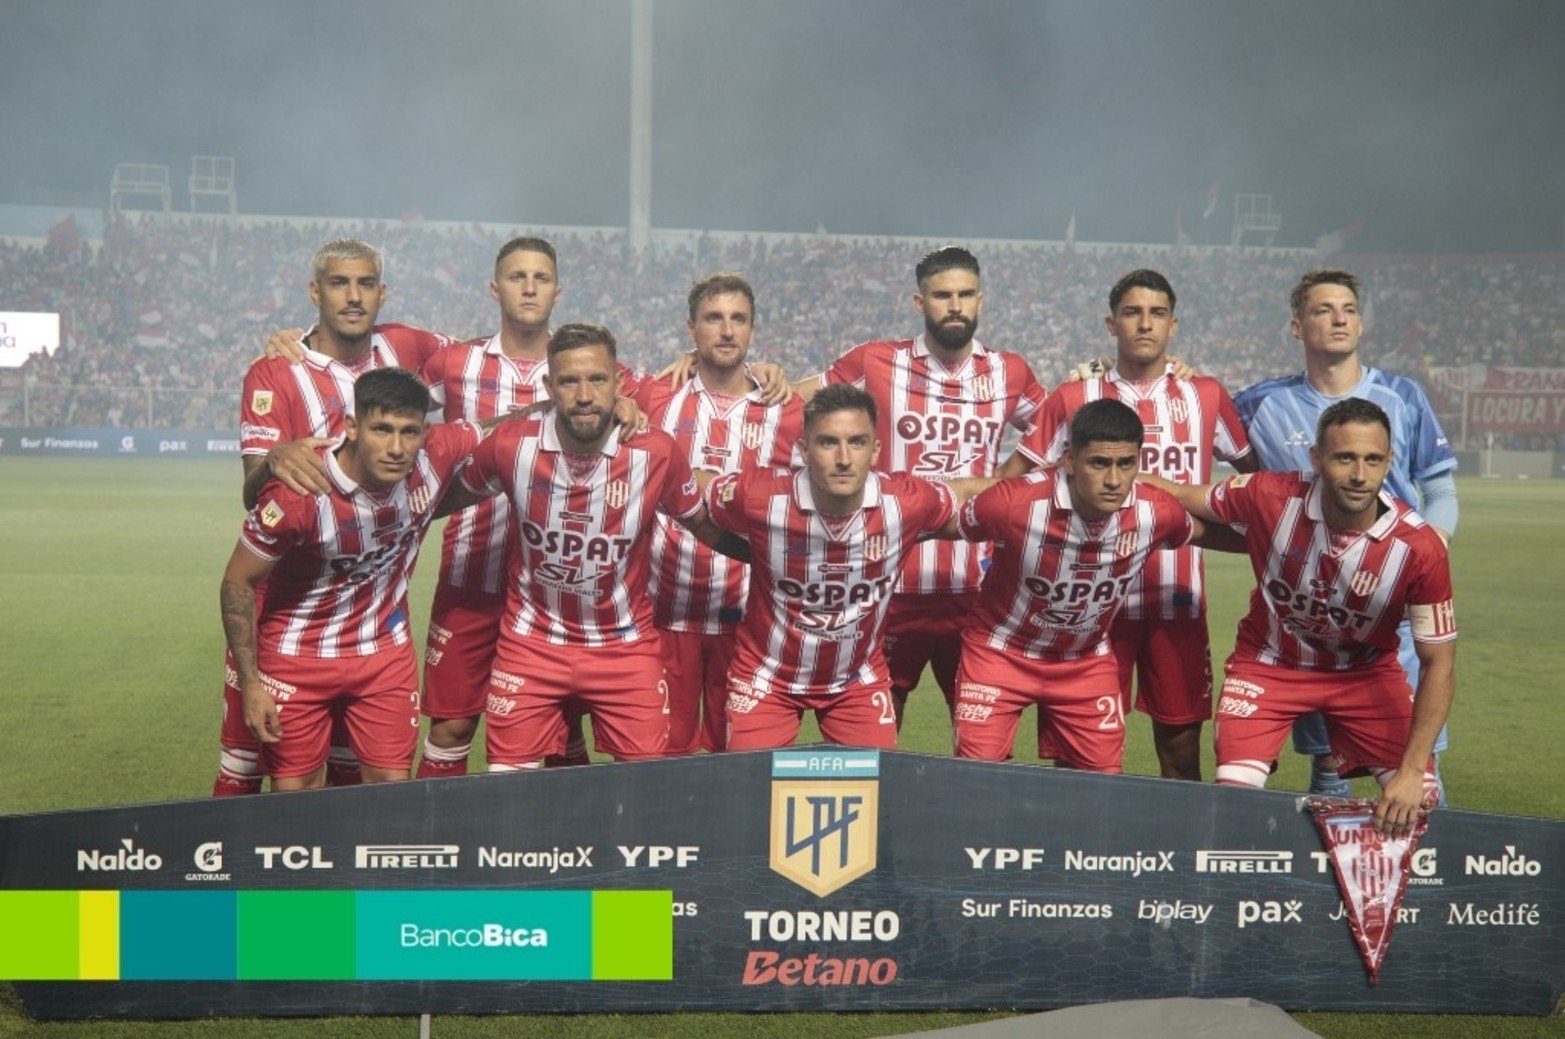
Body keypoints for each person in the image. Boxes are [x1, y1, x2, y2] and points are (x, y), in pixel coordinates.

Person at [1149, 398, 1456, 837]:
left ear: (1390, 460)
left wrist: (1409, 771)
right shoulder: (1268, 495)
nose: (1359, 475)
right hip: (1269, 664)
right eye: (1344, 457)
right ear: (1317, 458)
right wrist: (1111, 483)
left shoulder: (1420, 549)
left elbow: (1439, 662)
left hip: (1364, 675)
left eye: (1373, 460)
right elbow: (1181, 495)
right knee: (1234, 797)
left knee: (1419, 799)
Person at [214, 238, 450, 795]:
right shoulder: (277, 371)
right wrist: (275, 457)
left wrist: (635, 388)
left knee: (355, 769)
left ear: (381, 293)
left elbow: (499, 358)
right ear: (315, 292)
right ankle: (233, 877)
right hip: (286, 611)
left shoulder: (408, 346)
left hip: (371, 617)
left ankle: (349, 879)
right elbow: (254, 494)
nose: (353, 296)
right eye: (340, 284)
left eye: (366, 284)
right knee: (247, 763)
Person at [997, 270, 1255, 780]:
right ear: (1111, 323)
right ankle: (1075, 855)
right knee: (1078, 758)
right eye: (1133, 313)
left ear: (1173, 325)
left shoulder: (1204, 396)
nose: (1145, 324)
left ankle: (1181, 854)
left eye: (1157, 314)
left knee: (1181, 749)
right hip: (1086, 608)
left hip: (1176, 598)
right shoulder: (1075, 397)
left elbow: (1259, 484)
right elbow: (1011, 482)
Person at [455, 323, 742, 768]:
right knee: (507, 794)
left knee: (646, 791)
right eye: (570, 381)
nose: (585, 395)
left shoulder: (656, 454)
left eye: (597, 380)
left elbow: (703, 525)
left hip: (624, 648)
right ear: (550, 386)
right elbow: (450, 493)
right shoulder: (512, 448)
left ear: (619, 384)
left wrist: (768, 562)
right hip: (532, 646)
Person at [415, 237, 643, 776]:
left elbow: (674, 396)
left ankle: (562, 853)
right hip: (473, 570)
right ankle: (434, 849)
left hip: (561, 587)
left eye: (541, 278)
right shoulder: (454, 363)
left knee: (562, 733)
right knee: (451, 725)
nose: (529, 287)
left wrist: (634, 400)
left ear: (557, 292)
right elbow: (393, 412)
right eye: (517, 276)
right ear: (495, 288)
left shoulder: (594, 372)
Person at [792, 246, 1047, 729]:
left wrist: (1006, 480)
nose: (955, 305)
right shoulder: (876, 360)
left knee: (980, 736)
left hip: (977, 586)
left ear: (981, 300)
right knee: (878, 726)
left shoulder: (1009, 371)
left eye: (965, 294)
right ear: (919, 302)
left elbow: (1063, 428)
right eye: (942, 295)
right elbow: (789, 404)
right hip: (890, 582)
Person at [1234, 269, 1458, 800]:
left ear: (1360, 323)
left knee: (1414, 765)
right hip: (1309, 616)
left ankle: (1431, 876)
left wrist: (1428, 552)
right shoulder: (1258, 405)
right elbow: (1204, 439)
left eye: (1349, 309)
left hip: (1390, 609)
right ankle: (1329, 882)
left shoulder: (1403, 395)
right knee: (1329, 762)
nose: (1338, 318)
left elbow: (1441, 490)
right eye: (1322, 309)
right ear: (1296, 326)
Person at [218, 368, 480, 790]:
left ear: (425, 433)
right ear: (353, 427)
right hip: (295, 658)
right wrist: (250, 683)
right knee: (297, 803)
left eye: (409, 432)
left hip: (382, 657)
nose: (396, 447)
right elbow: (237, 582)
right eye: (382, 429)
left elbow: (507, 427)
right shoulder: (298, 493)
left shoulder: (436, 455)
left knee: (390, 794)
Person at [706, 384, 988, 752]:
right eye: (827, 443)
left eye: (856, 442)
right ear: (804, 451)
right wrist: (748, 551)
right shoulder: (758, 495)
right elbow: (694, 492)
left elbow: (969, 494)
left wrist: (1052, 486)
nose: (843, 458)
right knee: (752, 794)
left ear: (876, 450)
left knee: (872, 793)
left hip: (857, 681)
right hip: (765, 678)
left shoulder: (906, 503)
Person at [951, 399, 1200, 772]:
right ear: (1068, 460)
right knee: (977, 778)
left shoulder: (1158, 512)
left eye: (1125, 464)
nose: (1114, 480)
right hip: (1000, 653)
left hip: (1084, 661)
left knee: (1100, 788)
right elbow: (949, 523)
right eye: (1098, 463)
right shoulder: (1011, 503)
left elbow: (1210, 532)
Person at [641, 273, 803, 754]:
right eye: (714, 319)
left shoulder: (787, 411)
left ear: (753, 330)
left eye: (738, 319)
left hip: (749, 625)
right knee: (660, 757)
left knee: (737, 761)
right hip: (663, 616)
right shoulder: (653, 398)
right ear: (692, 330)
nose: (727, 331)